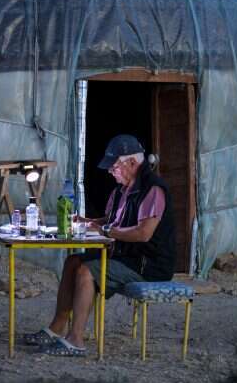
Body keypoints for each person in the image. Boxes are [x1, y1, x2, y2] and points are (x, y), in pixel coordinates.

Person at [25, 134, 176, 357]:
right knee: (73, 261)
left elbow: (143, 233)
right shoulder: (123, 190)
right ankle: (56, 328)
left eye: (114, 167)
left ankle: (76, 340)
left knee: (87, 271)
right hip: (128, 258)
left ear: (132, 163)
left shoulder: (153, 190)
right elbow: (113, 221)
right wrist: (88, 222)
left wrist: (106, 231)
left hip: (148, 265)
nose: (110, 171)